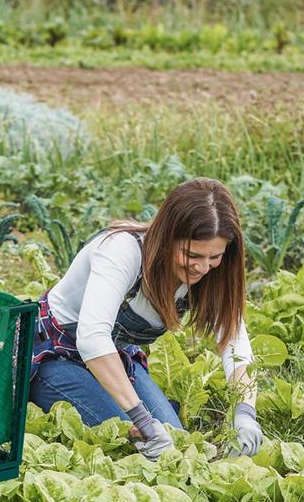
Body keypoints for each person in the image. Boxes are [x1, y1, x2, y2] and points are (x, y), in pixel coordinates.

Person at [28, 177, 263, 460]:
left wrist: (245, 411)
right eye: (192, 255)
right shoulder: (122, 251)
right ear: (167, 237)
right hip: (53, 356)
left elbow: (234, 344)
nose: (203, 267)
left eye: (215, 257)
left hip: (115, 358)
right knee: (141, 447)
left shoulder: (211, 274)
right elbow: (92, 339)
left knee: (175, 443)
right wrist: (141, 418)